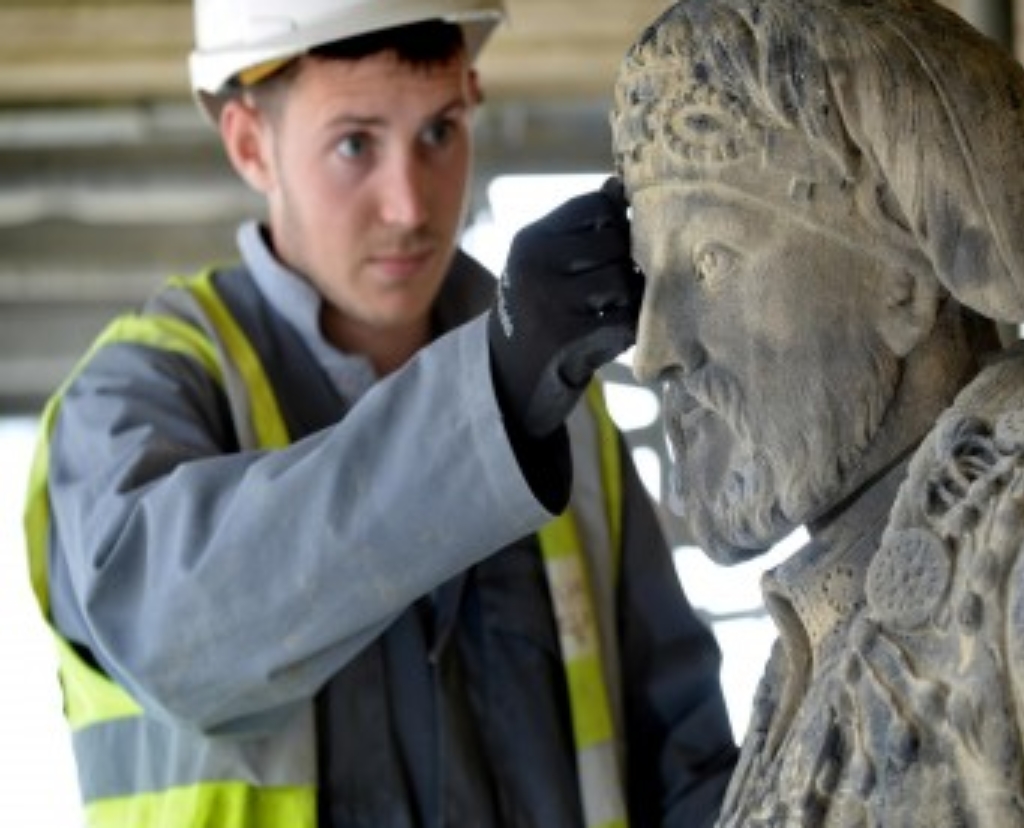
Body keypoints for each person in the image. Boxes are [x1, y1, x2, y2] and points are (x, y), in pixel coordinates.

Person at [22, 1, 737, 825]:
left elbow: (685, 763)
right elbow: (176, 638)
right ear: (251, 145)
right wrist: (492, 395)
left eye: (438, 132)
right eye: (354, 143)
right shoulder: (135, 393)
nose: (409, 205)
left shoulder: (566, 410)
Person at [612, 0, 1024, 824]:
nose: (653, 350)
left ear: (905, 284)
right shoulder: (809, 649)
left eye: (712, 261)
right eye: (648, 277)